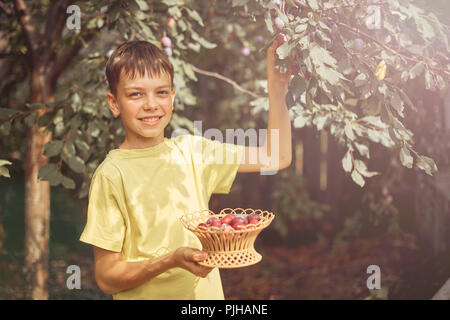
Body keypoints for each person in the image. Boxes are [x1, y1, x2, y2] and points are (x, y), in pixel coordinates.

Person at [79, 39, 293, 299]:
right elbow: (107, 278)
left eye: (161, 92)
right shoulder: (112, 174)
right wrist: (171, 260)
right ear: (114, 103)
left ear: (172, 97)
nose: (151, 104)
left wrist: (278, 88)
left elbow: (276, 156)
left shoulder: (194, 152)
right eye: (136, 94)